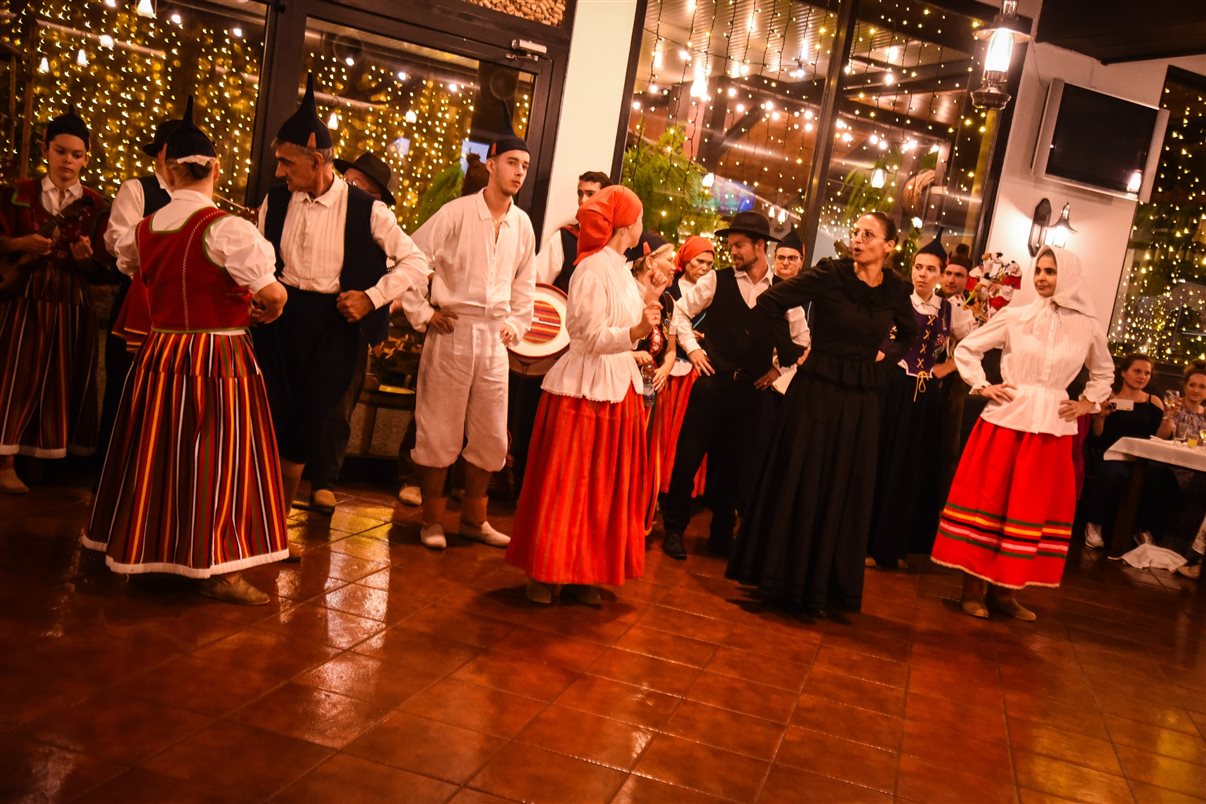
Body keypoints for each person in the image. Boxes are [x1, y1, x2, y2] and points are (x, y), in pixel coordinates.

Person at [83, 97, 291, 605]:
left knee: (155, 455)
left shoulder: (143, 230)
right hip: (217, 360)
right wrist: (271, 306)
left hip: (159, 357)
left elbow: (132, 268)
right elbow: (271, 291)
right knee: (216, 460)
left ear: (165, 170)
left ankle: (147, 549)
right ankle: (213, 567)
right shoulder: (230, 229)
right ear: (215, 169)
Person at [253, 75, 430, 519]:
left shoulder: (368, 209)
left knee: (306, 425)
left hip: (332, 325)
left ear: (317, 160)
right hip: (278, 320)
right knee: (265, 420)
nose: (279, 171)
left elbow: (416, 263)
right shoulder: (274, 202)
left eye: (287, 162)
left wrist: (372, 297)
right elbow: (255, 257)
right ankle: (253, 520)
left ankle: (274, 526)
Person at [726, 212, 917, 617]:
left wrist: (882, 364)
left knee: (842, 486)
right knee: (803, 477)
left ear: (889, 246)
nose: (859, 239)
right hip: (816, 392)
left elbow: (909, 332)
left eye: (869, 235)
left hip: (860, 400)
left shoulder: (897, 289)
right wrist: (792, 353)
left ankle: (826, 585)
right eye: (857, 232)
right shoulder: (831, 274)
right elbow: (770, 302)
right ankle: (782, 577)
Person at [931, 245, 1113, 621]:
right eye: (1039, 271)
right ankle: (972, 590)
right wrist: (983, 386)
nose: (1043, 278)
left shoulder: (1088, 326)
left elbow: (1104, 372)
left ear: (1070, 275)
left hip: (1051, 428)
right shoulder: (1016, 315)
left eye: (1051, 271)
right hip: (1007, 422)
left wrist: (1087, 403)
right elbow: (967, 350)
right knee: (990, 502)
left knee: (1028, 509)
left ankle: (1006, 592)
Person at [505, 185, 665, 605]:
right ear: (627, 225)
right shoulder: (591, 268)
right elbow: (587, 336)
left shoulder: (622, 270)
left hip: (616, 387)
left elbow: (618, 332)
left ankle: (583, 570)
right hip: (585, 390)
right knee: (568, 483)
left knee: (602, 489)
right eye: (640, 216)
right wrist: (635, 335)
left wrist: (635, 343)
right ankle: (545, 570)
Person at [398, 133, 536, 550]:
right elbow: (410, 258)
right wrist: (423, 313)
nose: (519, 172)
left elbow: (525, 283)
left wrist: (517, 322)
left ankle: (475, 519)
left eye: (525, 167)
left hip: (495, 338)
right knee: (439, 428)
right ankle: (432, 521)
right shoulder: (457, 213)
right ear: (491, 164)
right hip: (453, 330)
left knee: (492, 434)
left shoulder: (522, 224)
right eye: (512, 162)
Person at [660, 211, 792, 560]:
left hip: (749, 392)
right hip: (711, 385)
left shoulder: (780, 291)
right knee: (688, 458)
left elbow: (801, 339)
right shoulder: (716, 280)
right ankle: (674, 529)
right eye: (730, 245)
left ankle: (721, 533)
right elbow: (680, 312)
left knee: (734, 464)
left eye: (738, 246)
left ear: (759, 246)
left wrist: (777, 370)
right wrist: (693, 349)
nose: (731, 251)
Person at [0, 106, 112, 493]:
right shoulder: (18, 194)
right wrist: (19, 243)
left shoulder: (96, 207)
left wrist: (87, 262)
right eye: (61, 151)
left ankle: (44, 461)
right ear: (46, 149)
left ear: (86, 158)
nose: (68, 161)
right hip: (25, 299)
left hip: (71, 303)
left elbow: (106, 270)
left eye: (77, 154)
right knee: (16, 377)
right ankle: (6, 461)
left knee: (61, 382)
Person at [866, 233, 973, 570]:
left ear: (942, 275)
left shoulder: (949, 310)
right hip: (893, 388)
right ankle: (868, 543)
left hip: (926, 397)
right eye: (918, 267)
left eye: (931, 269)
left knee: (912, 470)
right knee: (882, 463)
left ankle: (898, 547)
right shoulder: (897, 299)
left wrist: (948, 366)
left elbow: (973, 345)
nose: (922, 274)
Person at [306, 151, 399, 515]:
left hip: (351, 322)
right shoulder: (317, 209)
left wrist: (374, 299)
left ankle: (325, 481)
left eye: (365, 188)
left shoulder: (378, 221)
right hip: (309, 314)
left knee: (341, 405)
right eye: (353, 182)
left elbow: (404, 270)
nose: (354, 190)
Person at [99, 118, 178, 455]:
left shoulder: (200, 201)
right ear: (160, 155)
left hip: (175, 311)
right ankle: (110, 469)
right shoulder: (138, 188)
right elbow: (118, 241)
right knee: (123, 386)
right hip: (137, 301)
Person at [1080, 353, 1163, 549]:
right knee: (1113, 473)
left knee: (1163, 479)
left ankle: (1143, 530)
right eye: (1137, 371)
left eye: (1147, 373)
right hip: (1111, 455)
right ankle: (1094, 524)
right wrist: (1100, 417)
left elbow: (1160, 437)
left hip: (1142, 459)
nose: (1142, 376)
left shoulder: (1154, 402)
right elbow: (1095, 437)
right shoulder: (1109, 398)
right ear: (1124, 373)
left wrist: (1169, 418)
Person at [656, 236, 713, 501]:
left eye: (709, 263)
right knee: (663, 432)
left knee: (685, 432)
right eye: (699, 261)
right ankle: (658, 484)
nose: (704, 268)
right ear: (687, 259)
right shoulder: (670, 290)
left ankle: (680, 489)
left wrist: (706, 338)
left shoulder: (712, 292)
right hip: (670, 365)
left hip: (694, 370)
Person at [1138, 361, 1206, 578]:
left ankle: (1184, 545)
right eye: (1193, 385)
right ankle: (1150, 533)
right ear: (1185, 385)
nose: (1196, 390)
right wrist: (1169, 417)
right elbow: (1160, 438)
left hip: (1196, 470)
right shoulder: (1174, 406)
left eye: (1202, 387)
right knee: (1161, 478)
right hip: (1170, 465)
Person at [533, 170, 612, 290]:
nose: (582, 200)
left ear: (607, 199)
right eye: (580, 194)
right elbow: (535, 282)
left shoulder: (613, 243)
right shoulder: (564, 238)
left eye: (590, 194)